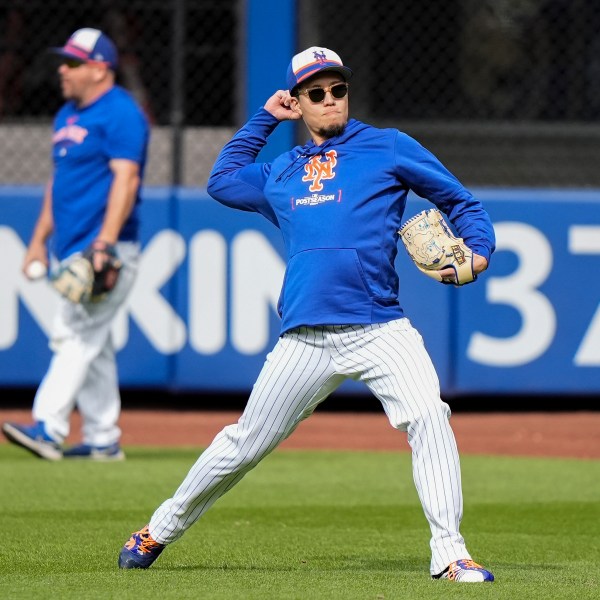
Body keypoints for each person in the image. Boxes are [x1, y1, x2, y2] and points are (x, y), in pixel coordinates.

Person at [118, 47, 495, 583]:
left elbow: (462, 202)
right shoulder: (281, 171)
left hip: (380, 326)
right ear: (299, 101)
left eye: (336, 89)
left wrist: (478, 249)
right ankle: (159, 528)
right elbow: (222, 180)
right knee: (245, 443)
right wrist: (265, 119)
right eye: (315, 93)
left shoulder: (387, 146)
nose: (328, 100)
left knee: (430, 417)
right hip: (305, 338)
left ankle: (450, 554)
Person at [1, 28, 149, 461]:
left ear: (100, 69)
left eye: (72, 62)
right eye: (63, 61)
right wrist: (36, 242)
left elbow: (127, 178)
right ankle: (104, 439)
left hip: (106, 248)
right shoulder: (67, 114)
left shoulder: (121, 113)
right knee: (93, 344)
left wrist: (104, 243)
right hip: (70, 247)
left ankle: (48, 426)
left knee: (74, 334)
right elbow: (58, 184)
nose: (62, 70)